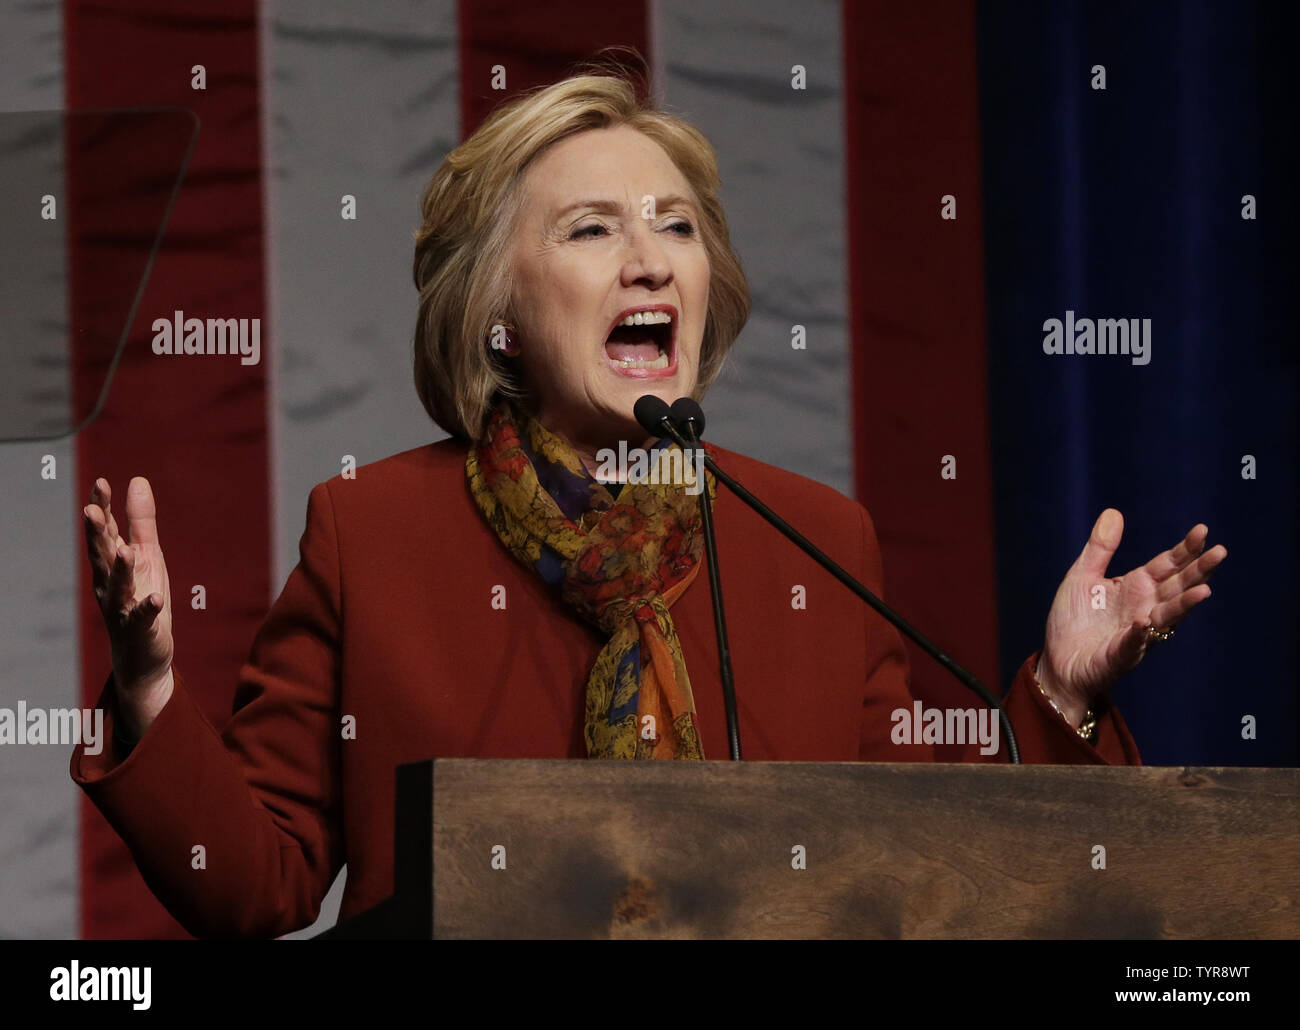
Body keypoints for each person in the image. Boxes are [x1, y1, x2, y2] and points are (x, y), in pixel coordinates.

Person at [71, 73, 1226, 938]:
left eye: (675, 225)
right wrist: (150, 685)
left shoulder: (817, 542)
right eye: (592, 228)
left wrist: (1063, 696)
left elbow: (920, 864)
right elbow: (255, 882)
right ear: (498, 316)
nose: (651, 259)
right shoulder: (371, 533)